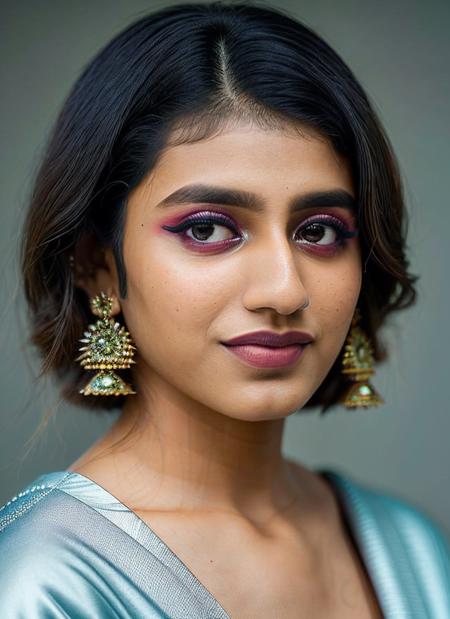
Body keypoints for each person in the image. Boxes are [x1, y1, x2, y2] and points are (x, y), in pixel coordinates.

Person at [0, 2, 449, 617]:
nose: (285, 290)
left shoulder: (410, 548)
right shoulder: (43, 584)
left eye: (319, 231)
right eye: (209, 230)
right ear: (96, 265)